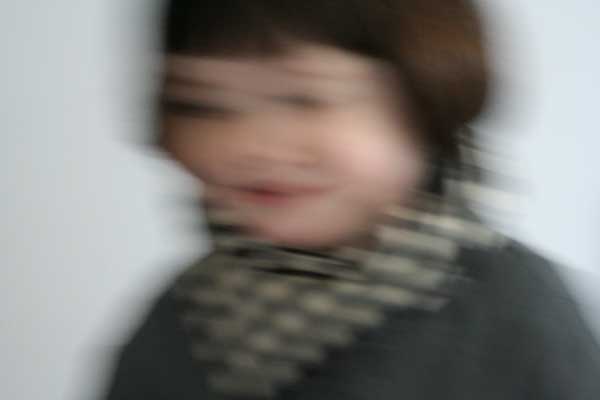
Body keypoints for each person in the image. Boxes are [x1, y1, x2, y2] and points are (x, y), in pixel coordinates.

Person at [101, 1, 600, 399]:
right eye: (200, 104)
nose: (245, 144)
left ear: (427, 100)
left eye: (305, 97)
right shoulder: (189, 312)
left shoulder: (512, 312)